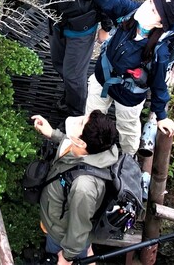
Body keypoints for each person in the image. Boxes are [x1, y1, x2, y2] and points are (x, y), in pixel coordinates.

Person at [72, 0, 174, 155]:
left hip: (129, 94)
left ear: (159, 24)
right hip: (103, 78)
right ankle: (90, 149)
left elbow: (158, 85)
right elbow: (113, 2)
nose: (147, 7)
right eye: (150, 2)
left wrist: (161, 117)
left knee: (127, 128)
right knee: (91, 118)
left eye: (154, 11)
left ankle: (127, 158)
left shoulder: (159, 52)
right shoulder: (132, 13)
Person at [31, 110, 119, 265]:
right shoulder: (97, 147)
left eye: (81, 123)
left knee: (70, 253)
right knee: (85, 249)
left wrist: (66, 257)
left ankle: (82, 255)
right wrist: (53, 134)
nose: (77, 120)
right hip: (67, 217)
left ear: (82, 143)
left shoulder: (83, 187)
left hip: (61, 235)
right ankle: (87, 252)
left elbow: (78, 228)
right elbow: (73, 141)